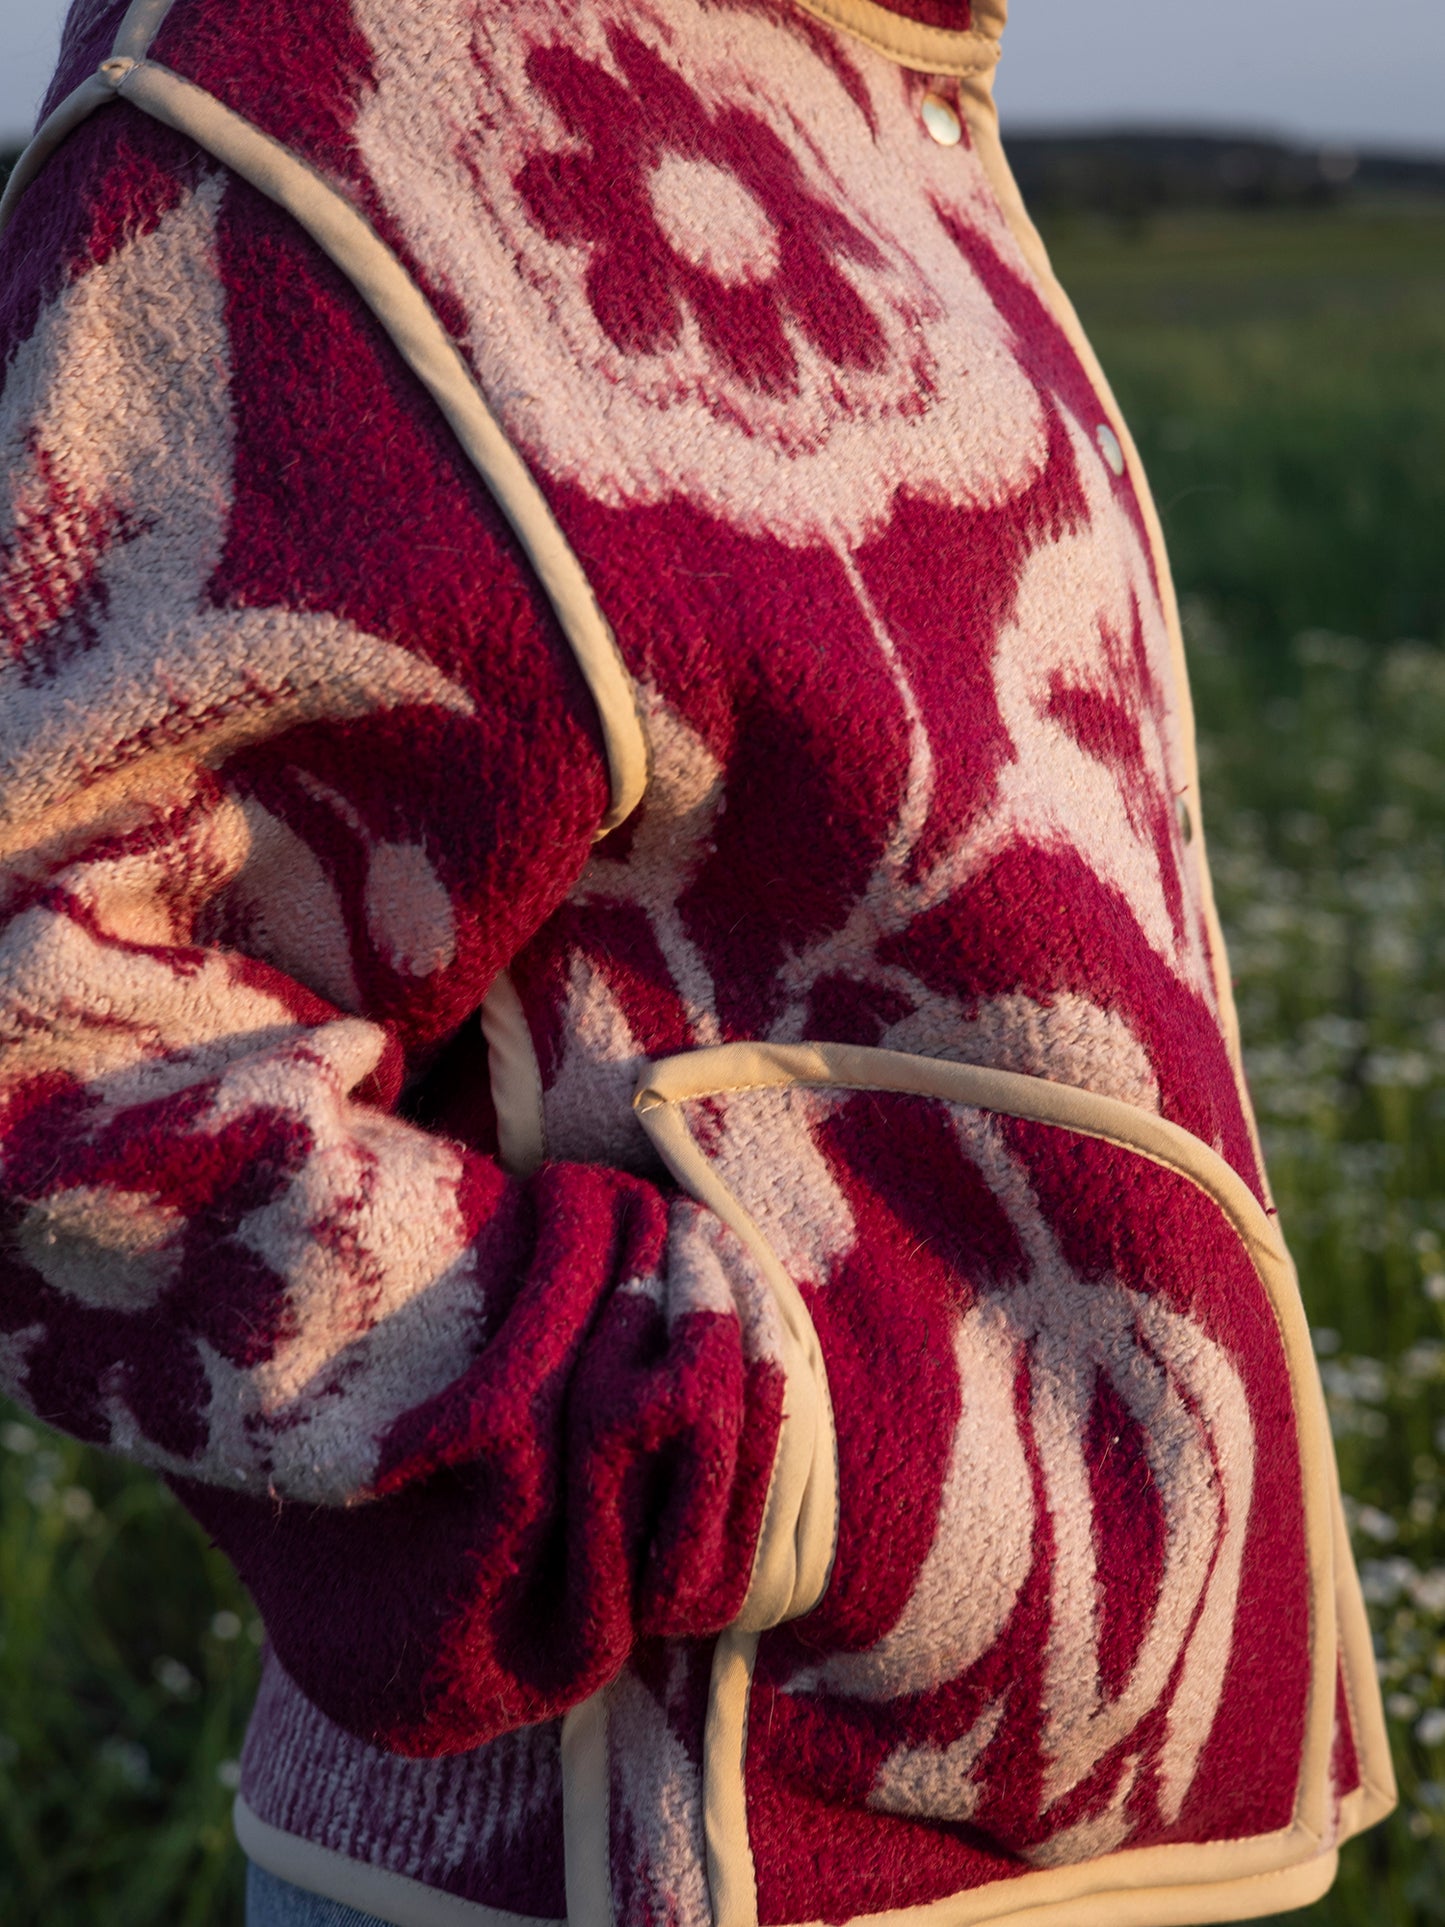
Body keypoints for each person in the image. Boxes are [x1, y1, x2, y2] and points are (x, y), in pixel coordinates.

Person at [0, 1, 1395, 1924]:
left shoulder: (875, 78)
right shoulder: (320, 71)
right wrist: (742, 1447)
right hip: (671, 1840)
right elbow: (47, 1031)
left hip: (1088, 1816)